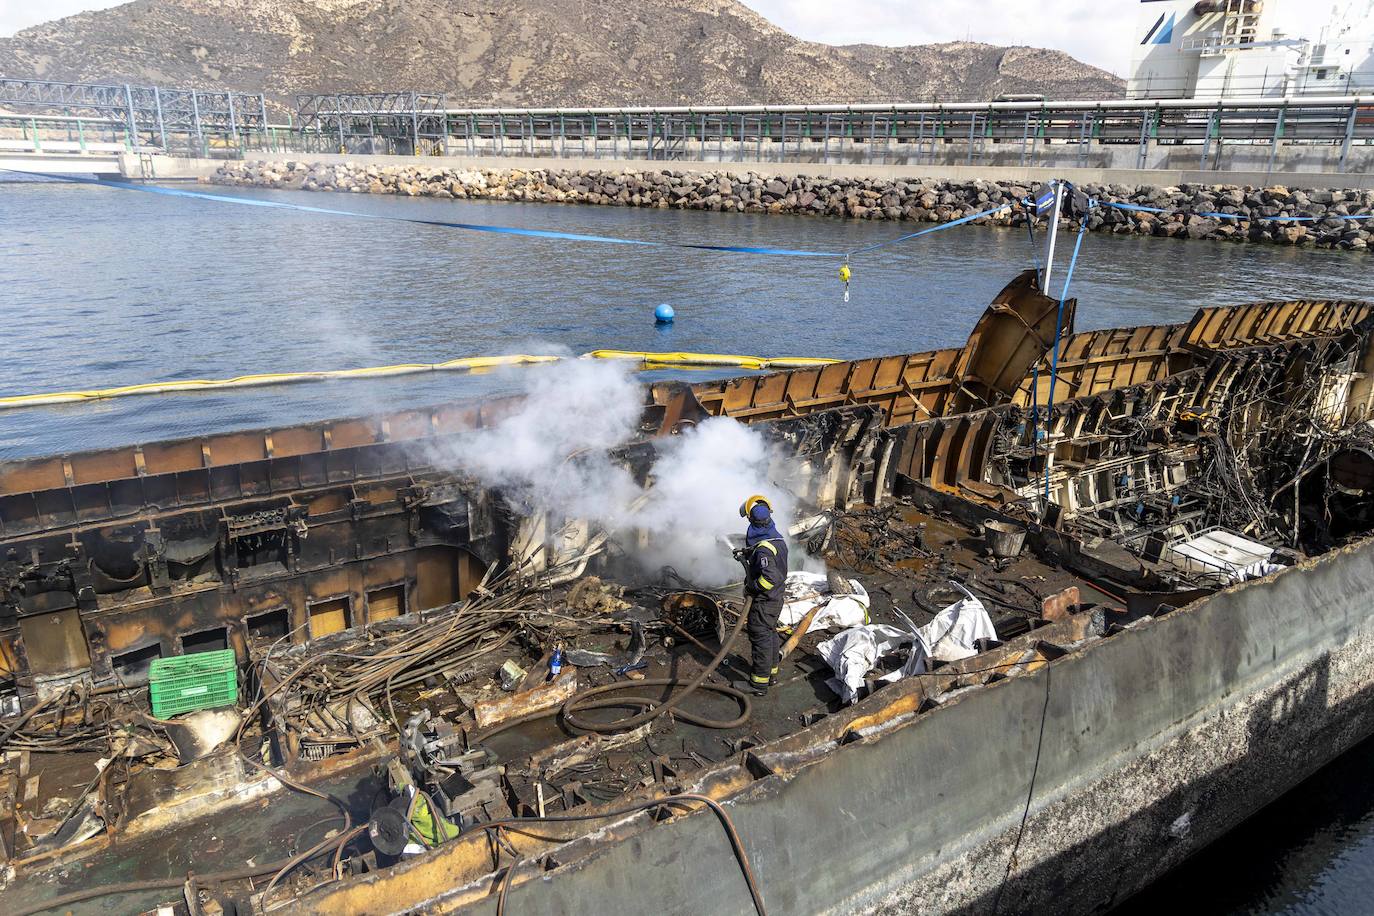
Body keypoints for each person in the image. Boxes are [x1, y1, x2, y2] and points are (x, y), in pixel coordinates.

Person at [736, 494, 789, 696]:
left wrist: (753, 588)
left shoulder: (764, 551)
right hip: (776, 598)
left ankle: (758, 684)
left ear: (751, 520)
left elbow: (770, 577)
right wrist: (748, 553)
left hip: (766, 600)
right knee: (770, 632)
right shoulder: (776, 538)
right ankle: (771, 673)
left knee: (760, 636)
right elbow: (767, 554)